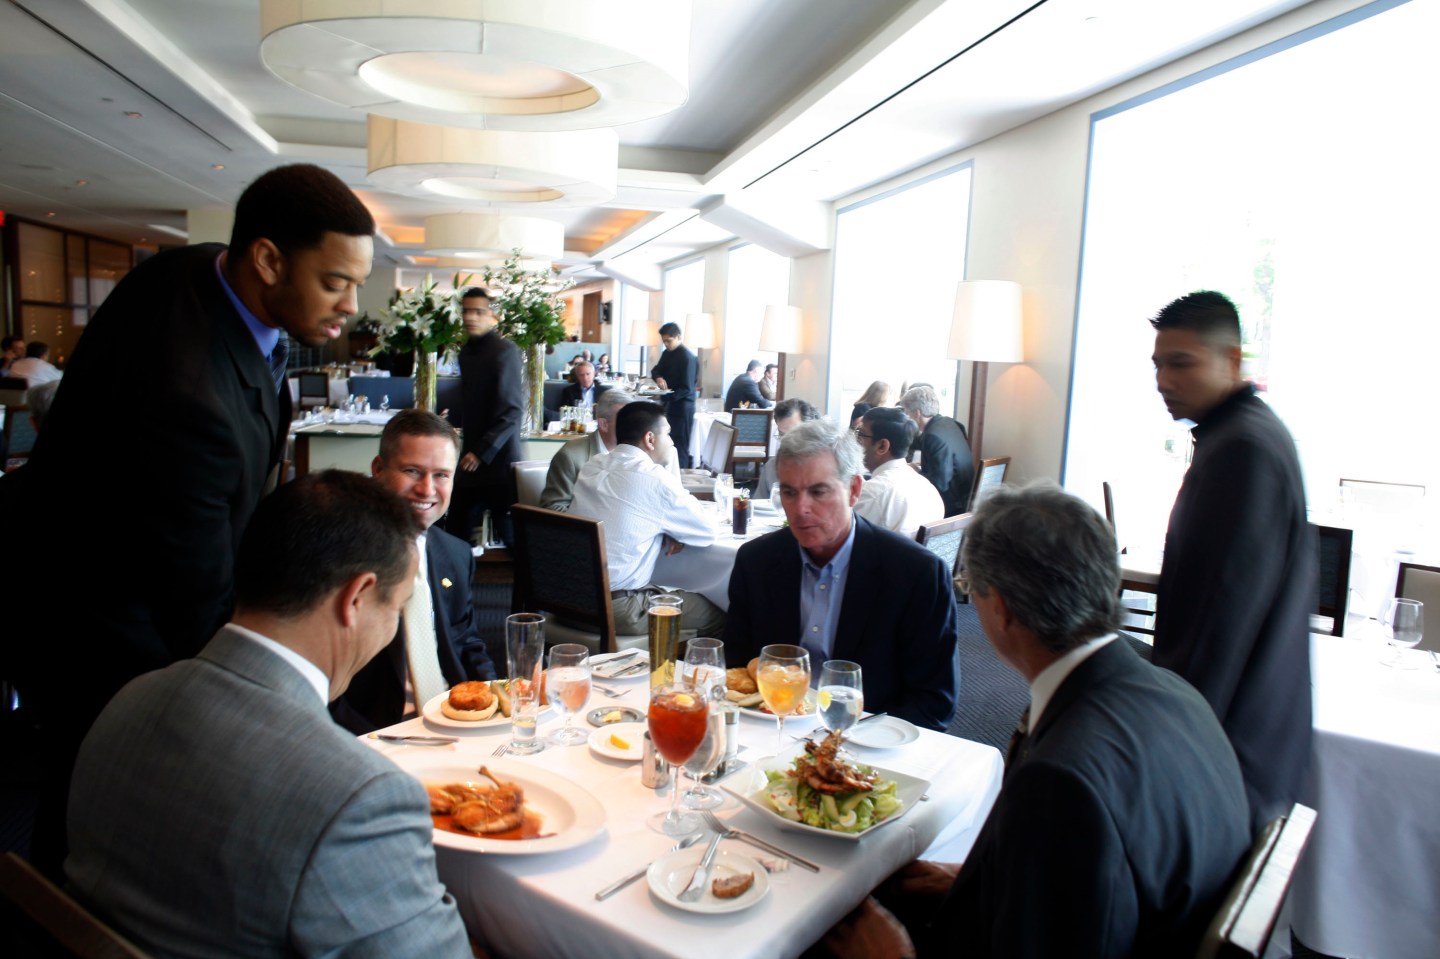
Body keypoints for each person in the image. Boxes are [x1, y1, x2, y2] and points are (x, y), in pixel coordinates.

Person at [4, 162, 375, 876]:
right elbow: (194, 601)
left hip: (108, 569)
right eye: (335, 281)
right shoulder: (188, 393)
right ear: (267, 259)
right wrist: (304, 728)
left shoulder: (193, 272)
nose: (352, 304)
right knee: (107, 807)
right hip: (98, 615)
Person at [819, 484, 1250, 959]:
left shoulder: (1062, 782)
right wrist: (994, 879)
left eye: (971, 590)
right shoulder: (1176, 693)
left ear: (999, 608)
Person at [66, 471, 472, 958]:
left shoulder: (130, 700)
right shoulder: (359, 797)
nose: (392, 627)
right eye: (397, 607)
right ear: (356, 598)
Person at [1149, 290, 1314, 829]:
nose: (1163, 381)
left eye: (1181, 363)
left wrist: (1169, 747)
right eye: (1158, 364)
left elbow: (1220, 623)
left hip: (1227, 749)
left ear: (1233, 360)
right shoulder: (1243, 436)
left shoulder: (1243, 452)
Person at [722, 419, 958, 730]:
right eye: (790, 493)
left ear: (854, 490)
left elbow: (934, 703)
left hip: (867, 739)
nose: (800, 508)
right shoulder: (757, 561)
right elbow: (736, 668)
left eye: (818, 491)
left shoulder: (915, 574)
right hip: (772, 725)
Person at [330, 411, 497, 734]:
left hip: (455, 721)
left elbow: (467, 641)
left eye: (441, 475)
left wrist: (500, 700)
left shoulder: (456, 554)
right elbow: (321, 682)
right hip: (379, 734)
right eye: (412, 471)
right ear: (378, 469)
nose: (426, 489)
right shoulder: (340, 554)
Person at [569, 401, 726, 638]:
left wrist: (663, 528)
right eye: (669, 435)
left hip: (566, 600)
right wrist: (671, 528)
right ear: (650, 439)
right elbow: (707, 530)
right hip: (615, 609)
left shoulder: (592, 466)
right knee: (722, 613)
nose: (672, 443)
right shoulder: (653, 478)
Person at [447, 285, 524, 549]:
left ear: (492, 315)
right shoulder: (466, 352)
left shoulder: (505, 351)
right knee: (454, 533)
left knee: (513, 541)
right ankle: (454, 590)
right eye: (466, 311)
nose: (470, 317)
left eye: (478, 311)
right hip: (471, 460)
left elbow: (512, 410)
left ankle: (534, 591)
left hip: (498, 462)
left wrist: (480, 452)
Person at [853, 406, 945, 539]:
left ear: (882, 446)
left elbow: (843, 544)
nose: (855, 441)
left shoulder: (873, 494)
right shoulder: (927, 488)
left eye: (860, 434)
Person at [540, 387, 635, 511]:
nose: (633, 428)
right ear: (604, 424)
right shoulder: (570, 457)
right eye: (625, 422)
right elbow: (553, 507)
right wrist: (597, 522)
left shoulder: (634, 454)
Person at [899, 384, 976, 516]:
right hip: (966, 497)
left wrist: (915, 471)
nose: (906, 418)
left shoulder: (932, 436)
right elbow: (916, 442)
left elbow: (939, 484)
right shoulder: (950, 423)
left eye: (906, 413)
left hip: (952, 507)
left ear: (917, 413)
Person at [650, 321, 698, 468]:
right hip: (670, 405)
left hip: (683, 408)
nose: (666, 344)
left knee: (680, 446)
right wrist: (658, 377)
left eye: (669, 341)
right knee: (667, 445)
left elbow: (687, 389)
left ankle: (682, 479)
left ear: (678, 337)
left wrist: (663, 396)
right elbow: (655, 370)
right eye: (664, 341)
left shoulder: (688, 358)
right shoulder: (667, 353)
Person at [754, 397, 819, 500]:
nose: (785, 441)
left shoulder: (826, 468)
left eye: (792, 434)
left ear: (811, 431)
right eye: (781, 434)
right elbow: (757, 504)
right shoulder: (772, 468)